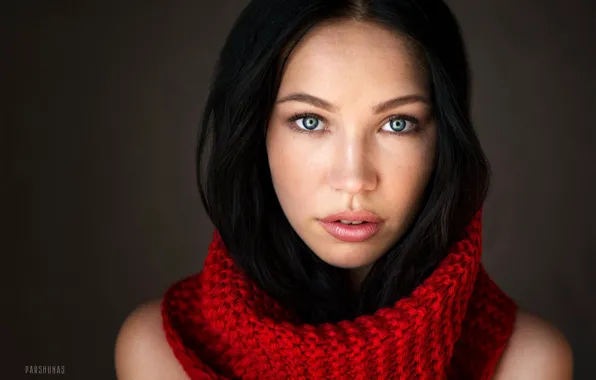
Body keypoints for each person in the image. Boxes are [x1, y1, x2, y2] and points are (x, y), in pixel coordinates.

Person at [115, 0, 573, 378]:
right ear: (257, 133)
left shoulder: (526, 363)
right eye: (310, 121)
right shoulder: (160, 352)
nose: (354, 179)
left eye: (397, 124)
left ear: (443, 142)